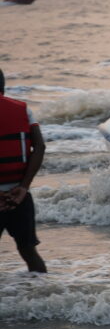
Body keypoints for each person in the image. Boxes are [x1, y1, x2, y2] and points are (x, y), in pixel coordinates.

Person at [0, 68, 47, 273]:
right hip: (19, 196)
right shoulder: (23, 109)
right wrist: (23, 187)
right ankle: (45, 296)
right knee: (29, 252)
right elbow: (40, 146)